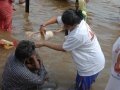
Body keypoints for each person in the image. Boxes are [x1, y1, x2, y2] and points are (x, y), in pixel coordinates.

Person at [36, 9, 105, 90]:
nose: (63, 26)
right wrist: (43, 25)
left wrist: (44, 43)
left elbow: (63, 48)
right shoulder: (76, 19)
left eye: (66, 26)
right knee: (81, 85)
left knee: (82, 86)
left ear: (72, 25)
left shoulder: (78, 34)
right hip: (95, 60)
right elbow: (56, 19)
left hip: (89, 67)